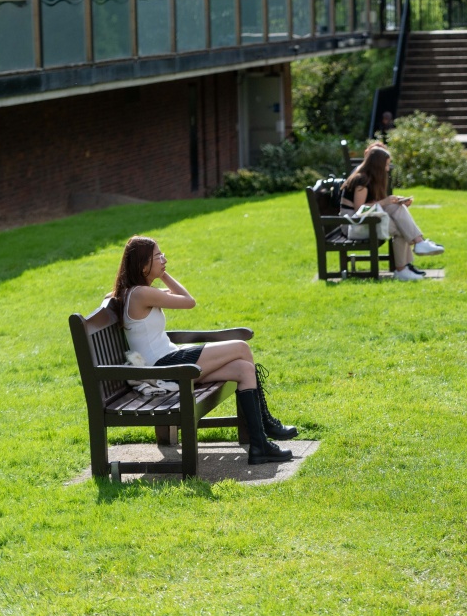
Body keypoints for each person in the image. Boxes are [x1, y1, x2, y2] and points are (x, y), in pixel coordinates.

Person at [112, 235, 296, 465]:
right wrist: (163, 275)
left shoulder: (140, 292)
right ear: (142, 264)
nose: (164, 259)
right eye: (158, 256)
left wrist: (158, 272)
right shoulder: (141, 293)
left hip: (169, 361)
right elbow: (189, 301)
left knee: (243, 369)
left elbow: (181, 298)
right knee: (241, 347)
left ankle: (260, 446)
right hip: (165, 367)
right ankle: (267, 425)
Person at [340, 144, 444, 281]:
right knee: (401, 227)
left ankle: (412, 255)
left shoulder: (371, 178)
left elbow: (374, 205)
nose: (388, 168)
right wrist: (385, 201)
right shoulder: (361, 180)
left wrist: (395, 201)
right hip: (353, 225)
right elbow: (359, 210)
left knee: (397, 208)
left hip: (366, 221)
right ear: (377, 164)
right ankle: (406, 263)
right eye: (386, 165)